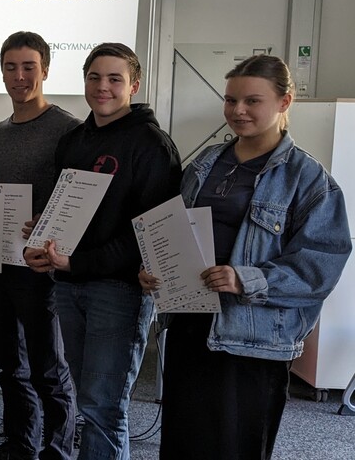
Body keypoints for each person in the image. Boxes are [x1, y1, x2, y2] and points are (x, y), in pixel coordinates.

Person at [140, 55, 351, 460]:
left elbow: (319, 268)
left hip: (252, 340)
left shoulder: (308, 179)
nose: (238, 110)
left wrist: (246, 279)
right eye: (230, 99)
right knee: (183, 443)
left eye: (252, 101)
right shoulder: (205, 163)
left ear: (284, 102)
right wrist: (155, 267)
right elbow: (175, 229)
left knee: (236, 447)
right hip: (190, 324)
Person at [25, 42, 181, 460]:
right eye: (94, 77)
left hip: (119, 291)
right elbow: (68, 211)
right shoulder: (74, 140)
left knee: (104, 408)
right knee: (86, 399)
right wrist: (43, 231)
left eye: (114, 78)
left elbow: (148, 234)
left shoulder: (152, 145)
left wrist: (77, 261)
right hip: (69, 284)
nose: (102, 87)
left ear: (134, 85)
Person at [0, 32, 80, 460]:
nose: (19, 76)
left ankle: (59, 449)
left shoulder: (68, 129)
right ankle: (20, 443)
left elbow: (75, 198)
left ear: (45, 69)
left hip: (43, 264)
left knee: (49, 366)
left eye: (29, 67)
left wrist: (48, 223)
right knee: (10, 363)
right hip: (0, 261)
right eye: (11, 67)